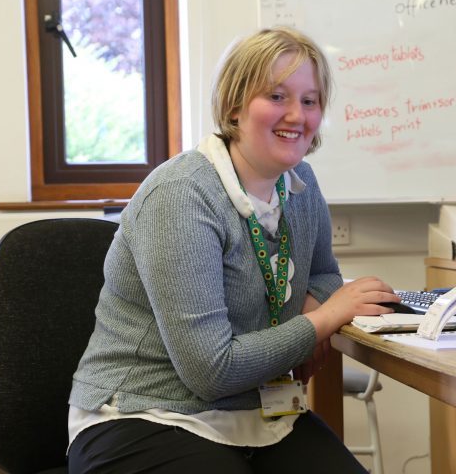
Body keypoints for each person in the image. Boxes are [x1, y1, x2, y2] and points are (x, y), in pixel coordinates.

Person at [67, 26, 401, 473]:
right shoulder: (181, 195)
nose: (297, 116)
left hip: (257, 412)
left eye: (310, 100)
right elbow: (211, 371)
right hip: (144, 414)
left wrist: (314, 309)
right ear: (234, 105)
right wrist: (320, 321)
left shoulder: (300, 187)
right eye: (277, 97)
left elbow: (323, 275)